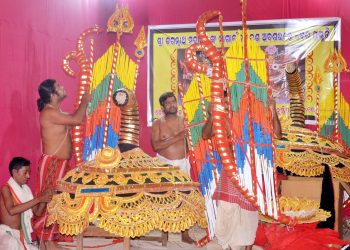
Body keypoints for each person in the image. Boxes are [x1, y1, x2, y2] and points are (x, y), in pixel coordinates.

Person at [202, 93, 282, 250]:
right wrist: (212, 115)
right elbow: (205, 135)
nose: (225, 104)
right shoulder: (222, 119)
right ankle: (229, 245)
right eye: (223, 102)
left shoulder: (253, 117)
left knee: (248, 214)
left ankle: (247, 247)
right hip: (230, 170)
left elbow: (278, 134)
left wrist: (273, 109)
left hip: (251, 171)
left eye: (228, 101)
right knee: (226, 210)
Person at [35, 79, 91, 248]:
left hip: (60, 164)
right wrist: (84, 101)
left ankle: (49, 240)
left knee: (57, 203)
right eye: (59, 86)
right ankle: (46, 242)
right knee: (50, 201)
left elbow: (75, 118)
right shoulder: (49, 112)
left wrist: (84, 105)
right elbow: (76, 120)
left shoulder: (56, 111)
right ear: (52, 94)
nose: (63, 86)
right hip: (52, 164)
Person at [151, 91, 194, 244]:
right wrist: (177, 136)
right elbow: (156, 145)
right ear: (163, 107)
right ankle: (165, 234)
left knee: (185, 199)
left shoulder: (185, 121)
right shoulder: (158, 123)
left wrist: (185, 154)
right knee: (165, 199)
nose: (172, 105)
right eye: (168, 103)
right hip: (164, 164)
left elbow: (191, 144)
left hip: (183, 164)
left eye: (173, 101)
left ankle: (185, 233)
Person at [0, 157, 53, 250]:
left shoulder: (26, 190)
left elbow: (37, 212)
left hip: (21, 236)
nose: (28, 176)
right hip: (7, 234)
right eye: (25, 172)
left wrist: (45, 198)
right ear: (15, 172)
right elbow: (11, 210)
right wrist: (38, 199)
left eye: (29, 172)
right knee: (12, 243)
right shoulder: (6, 189)